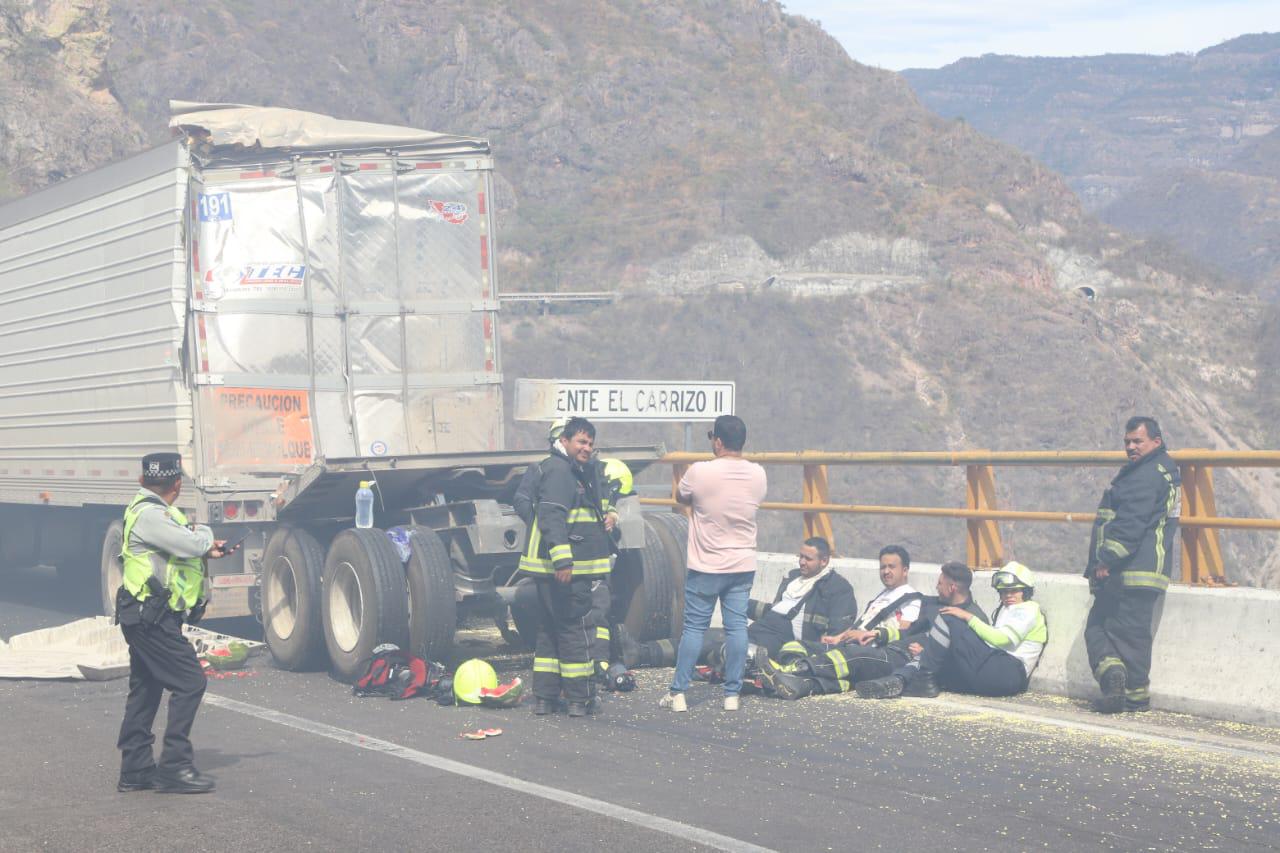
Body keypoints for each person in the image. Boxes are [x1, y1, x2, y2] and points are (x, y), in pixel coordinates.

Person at [115, 452, 231, 794]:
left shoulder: (148, 510)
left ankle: (135, 770)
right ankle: (175, 765)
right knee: (190, 681)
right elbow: (191, 541)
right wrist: (206, 539)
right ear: (177, 485)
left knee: (146, 689)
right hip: (150, 618)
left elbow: (181, 546)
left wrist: (205, 549)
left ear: (142, 481)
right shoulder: (151, 515)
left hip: (143, 614)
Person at [660, 414, 766, 713]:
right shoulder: (758, 474)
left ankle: (678, 694)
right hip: (742, 563)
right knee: (737, 629)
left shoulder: (699, 471)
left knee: (694, 628)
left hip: (706, 565)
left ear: (717, 441)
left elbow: (681, 496)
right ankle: (731, 694)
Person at [622, 537, 853, 674]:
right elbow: (775, 609)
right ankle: (640, 653)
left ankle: (643, 654)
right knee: (707, 636)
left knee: (721, 646)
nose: (802, 562)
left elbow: (837, 632)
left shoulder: (837, 588)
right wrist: (737, 601)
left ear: (824, 561)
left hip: (787, 639)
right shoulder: (794, 578)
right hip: (768, 626)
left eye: (808, 559)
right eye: (800, 556)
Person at [757, 560, 979, 700]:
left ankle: (789, 671)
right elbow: (908, 630)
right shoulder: (932, 605)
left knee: (854, 656)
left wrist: (927, 651)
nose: (936, 587)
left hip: (903, 661)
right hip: (888, 648)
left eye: (940, 584)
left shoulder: (973, 616)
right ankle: (799, 685)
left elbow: (964, 656)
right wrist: (878, 633)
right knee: (828, 664)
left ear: (952, 587)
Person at [1084, 416, 1181, 713]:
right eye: (1127, 441)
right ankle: (1122, 683)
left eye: (1137, 441)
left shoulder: (1147, 475)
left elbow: (1130, 524)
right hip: (1145, 567)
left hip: (1132, 568)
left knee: (1117, 631)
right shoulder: (1161, 470)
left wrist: (1106, 559)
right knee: (1113, 628)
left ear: (1156, 441)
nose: (1131, 447)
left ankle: (1133, 694)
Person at [518, 417, 614, 717]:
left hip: (553, 568)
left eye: (590, 443)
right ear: (564, 441)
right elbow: (553, 516)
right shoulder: (561, 472)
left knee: (549, 630)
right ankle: (579, 699)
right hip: (566, 569)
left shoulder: (570, 470)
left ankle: (545, 698)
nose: (587, 448)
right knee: (576, 630)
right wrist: (562, 559)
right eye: (581, 442)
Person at [855, 561, 1047, 700]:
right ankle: (897, 681)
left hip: (1009, 673)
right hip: (991, 676)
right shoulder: (1006, 610)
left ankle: (921, 680)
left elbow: (1003, 640)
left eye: (1014, 590)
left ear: (1026, 591)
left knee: (950, 617)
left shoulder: (1030, 609)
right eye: (1004, 591)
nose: (1008, 595)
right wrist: (931, 653)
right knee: (938, 667)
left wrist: (966, 616)